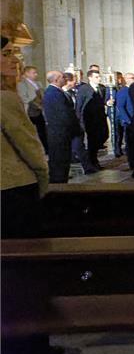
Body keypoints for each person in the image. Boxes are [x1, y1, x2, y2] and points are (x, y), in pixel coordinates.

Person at [1, 36, 49, 237]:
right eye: (6, 54)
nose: (16, 61)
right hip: (13, 188)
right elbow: (29, 146)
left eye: (15, 54)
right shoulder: (5, 98)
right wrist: (43, 178)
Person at [43, 71, 80, 184]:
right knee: (60, 161)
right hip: (60, 133)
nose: (65, 79)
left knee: (62, 161)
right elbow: (64, 114)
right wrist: (73, 128)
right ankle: (59, 184)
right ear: (56, 80)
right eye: (63, 77)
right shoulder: (54, 93)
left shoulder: (55, 92)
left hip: (59, 132)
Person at [75, 69, 111, 171]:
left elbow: (103, 101)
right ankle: (92, 161)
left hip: (100, 118)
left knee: (101, 138)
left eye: (99, 77)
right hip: (89, 119)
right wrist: (79, 120)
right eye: (96, 77)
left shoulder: (101, 88)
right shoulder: (84, 89)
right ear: (90, 78)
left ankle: (94, 159)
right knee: (92, 141)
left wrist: (107, 103)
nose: (99, 78)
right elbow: (79, 105)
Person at [17, 65, 47, 151]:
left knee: (42, 130)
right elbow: (24, 97)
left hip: (40, 109)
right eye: (34, 73)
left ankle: (45, 147)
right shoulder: (22, 84)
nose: (36, 74)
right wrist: (35, 101)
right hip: (30, 109)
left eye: (36, 72)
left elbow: (43, 94)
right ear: (27, 73)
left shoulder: (39, 83)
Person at [116, 72, 134, 171]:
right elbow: (121, 107)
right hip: (129, 121)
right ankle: (133, 163)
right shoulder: (123, 91)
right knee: (131, 144)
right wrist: (128, 121)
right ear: (127, 79)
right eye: (133, 78)